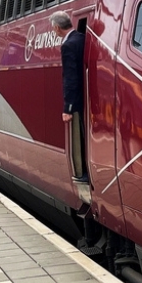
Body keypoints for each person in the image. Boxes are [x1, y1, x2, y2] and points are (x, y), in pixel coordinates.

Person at [50, 11, 87, 181]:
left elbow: (70, 79)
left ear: (57, 28)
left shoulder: (68, 45)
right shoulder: (81, 38)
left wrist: (68, 108)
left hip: (78, 102)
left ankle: (81, 171)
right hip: (86, 97)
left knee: (79, 137)